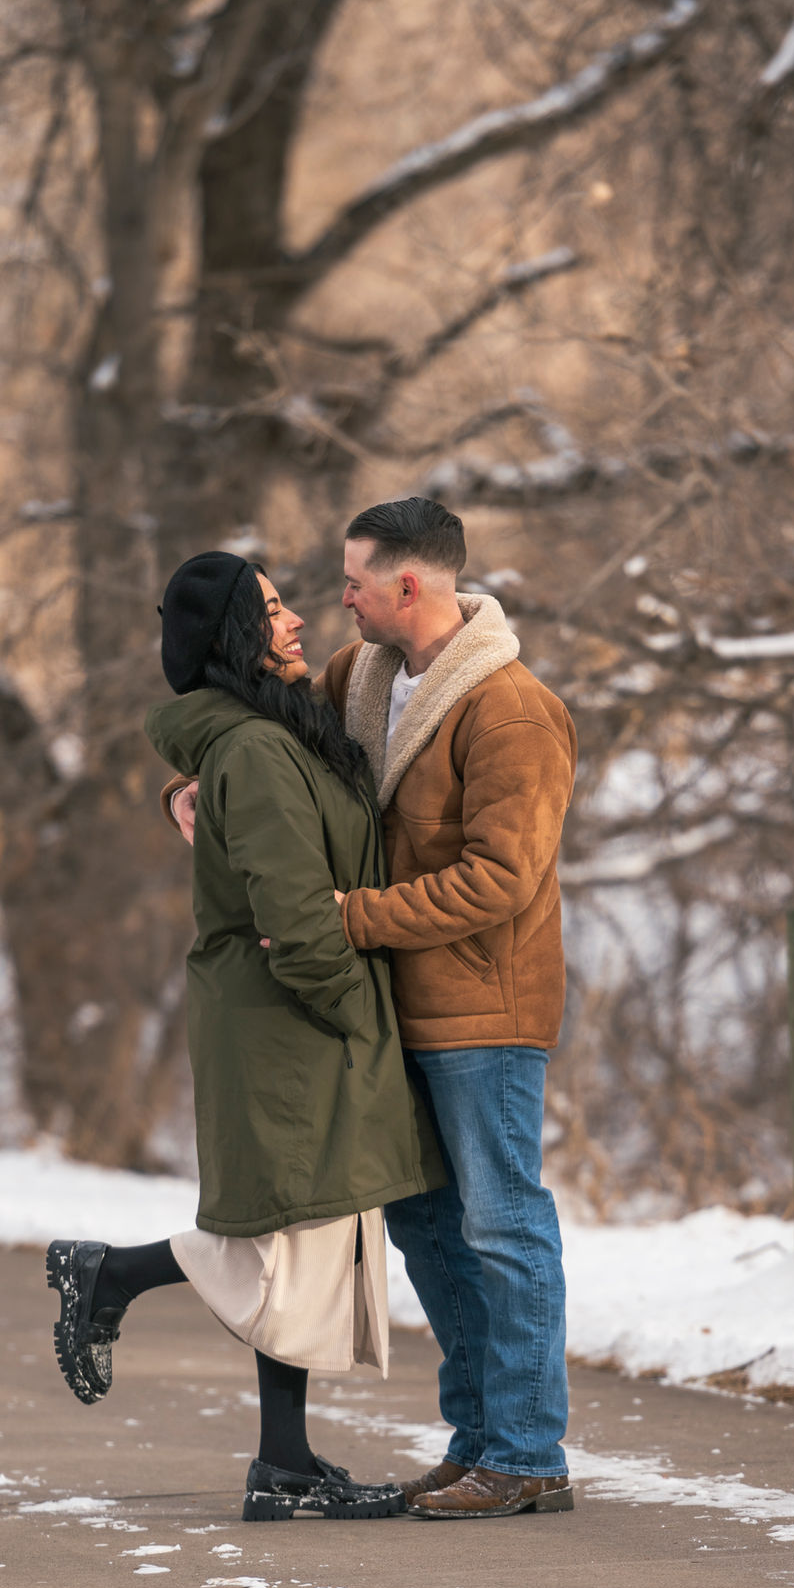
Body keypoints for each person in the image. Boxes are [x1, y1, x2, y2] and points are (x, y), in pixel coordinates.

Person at [167, 499, 577, 1520]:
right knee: (430, 1231)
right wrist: (182, 785)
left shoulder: (510, 711)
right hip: (400, 1011)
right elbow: (260, 737)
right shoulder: (362, 678)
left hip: (485, 1010)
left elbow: (501, 880)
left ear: (409, 586)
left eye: (353, 580)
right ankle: (479, 1439)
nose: (335, 597)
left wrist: (348, 918)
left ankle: (530, 1456)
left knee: (502, 1223)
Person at [47, 551, 443, 1523]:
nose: (296, 622)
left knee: (295, 1230)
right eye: (271, 612)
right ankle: (116, 1278)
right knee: (286, 1236)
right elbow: (298, 923)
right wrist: (361, 1019)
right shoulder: (259, 753)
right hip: (288, 1018)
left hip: (285, 1014)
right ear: (233, 638)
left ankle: (283, 1459)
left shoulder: (264, 737)